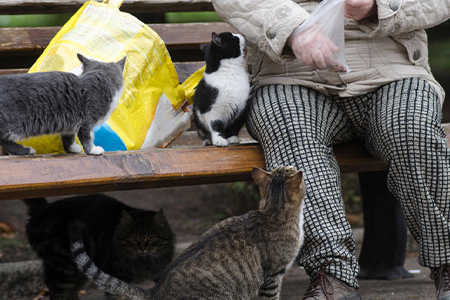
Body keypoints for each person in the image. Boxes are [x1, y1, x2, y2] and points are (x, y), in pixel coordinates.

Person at [211, 0, 450, 299]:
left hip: (393, 72)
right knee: (285, 123)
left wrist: (381, 5)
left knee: (411, 129)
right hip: (289, 74)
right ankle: (332, 275)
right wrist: (293, 28)